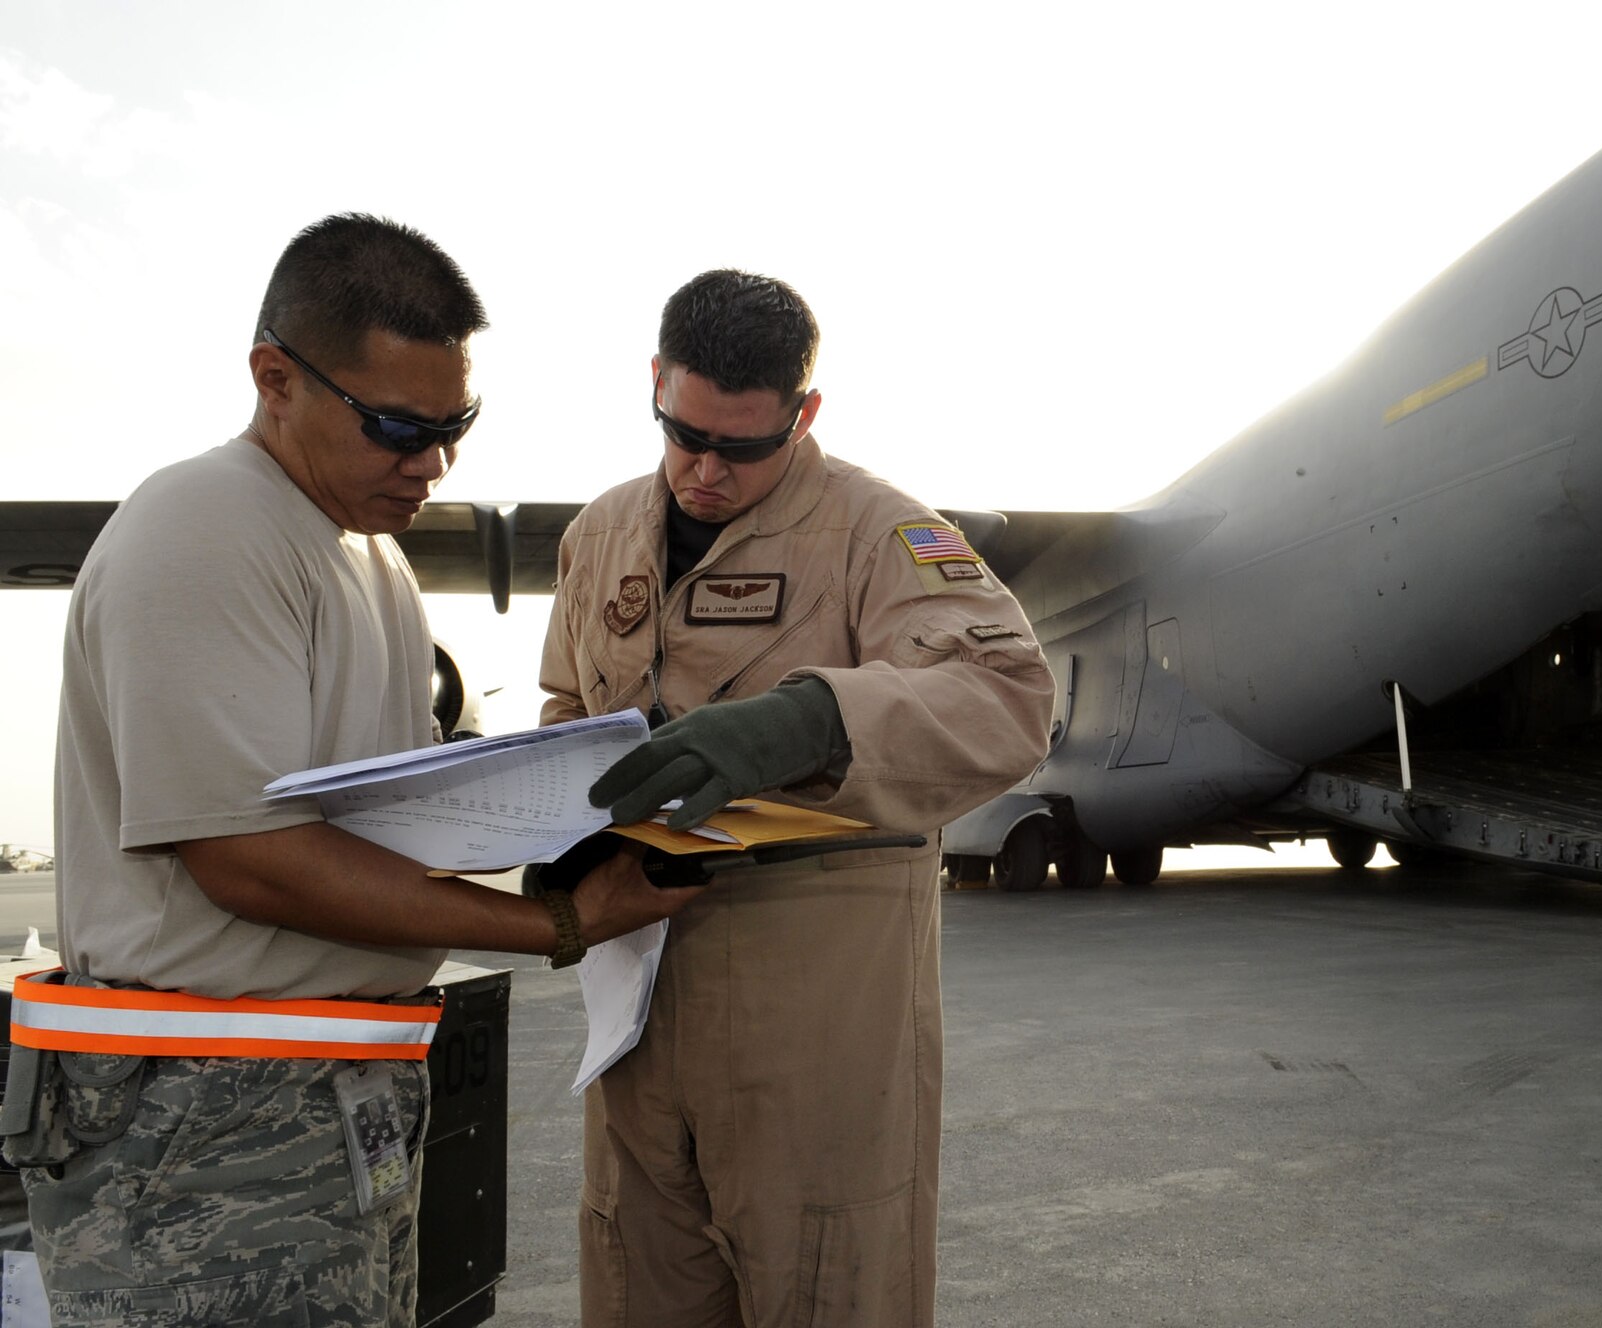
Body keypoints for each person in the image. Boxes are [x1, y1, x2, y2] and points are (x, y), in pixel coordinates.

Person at [2, 213, 696, 1328]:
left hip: (330, 1098)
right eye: (394, 426)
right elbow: (249, 859)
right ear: (276, 377)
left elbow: (373, 805)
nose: (431, 462)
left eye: (455, 424)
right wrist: (563, 920)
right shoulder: (205, 528)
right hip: (206, 1125)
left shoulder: (364, 548)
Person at [540, 269, 1055, 1327]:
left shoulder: (882, 533)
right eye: (683, 433)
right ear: (654, 383)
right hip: (634, 992)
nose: (703, 470)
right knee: (638, 1281)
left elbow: (1008, 696)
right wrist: (548, 810)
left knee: (827, 1282)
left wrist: (809, 720)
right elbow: (563, 699)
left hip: (813, 1005)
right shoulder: (598, 536)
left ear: (803, 413)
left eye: (741, 447)